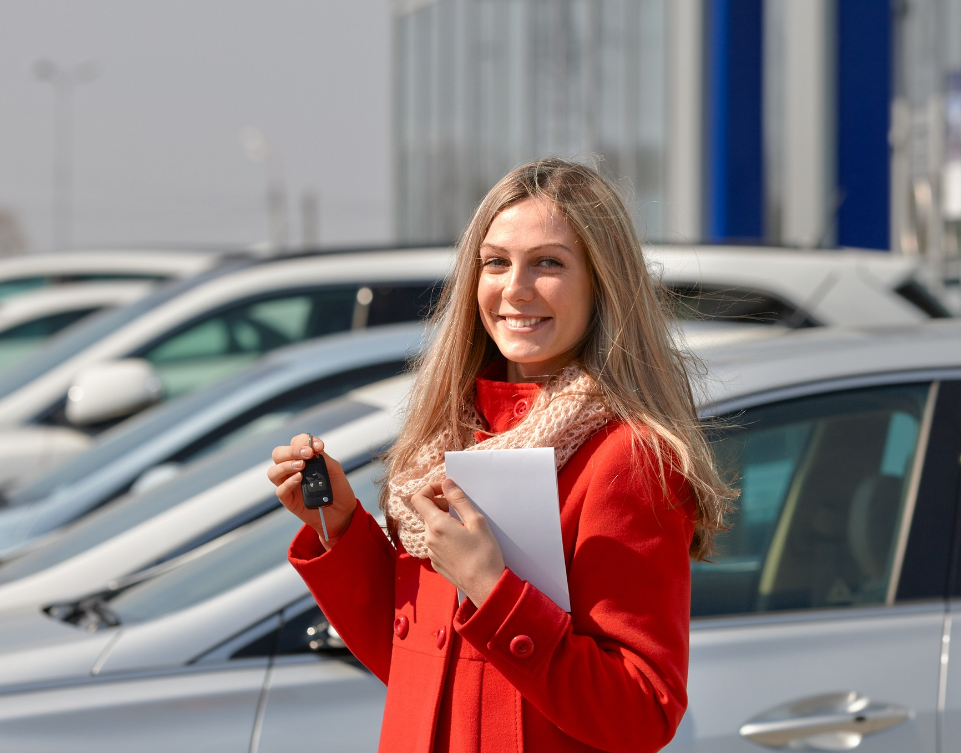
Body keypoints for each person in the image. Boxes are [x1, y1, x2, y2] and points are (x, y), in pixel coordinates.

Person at [266, 158, 731, 753]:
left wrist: (492, 587)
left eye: (549, 264)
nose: (515, 288)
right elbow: (417, 668)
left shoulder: (628, 457)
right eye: (496, 262)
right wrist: (339, 526)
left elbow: (642, 713)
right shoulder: (449, 436)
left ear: (602, 283)